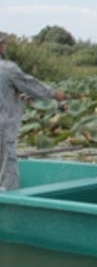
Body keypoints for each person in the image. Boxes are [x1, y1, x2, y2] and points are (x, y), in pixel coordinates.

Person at [0, 34, 67, 191]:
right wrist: (55, 94)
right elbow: (31, 85)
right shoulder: (7, 68)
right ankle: (9, 197)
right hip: (4, 125)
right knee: (7, 162)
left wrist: (21, 98)